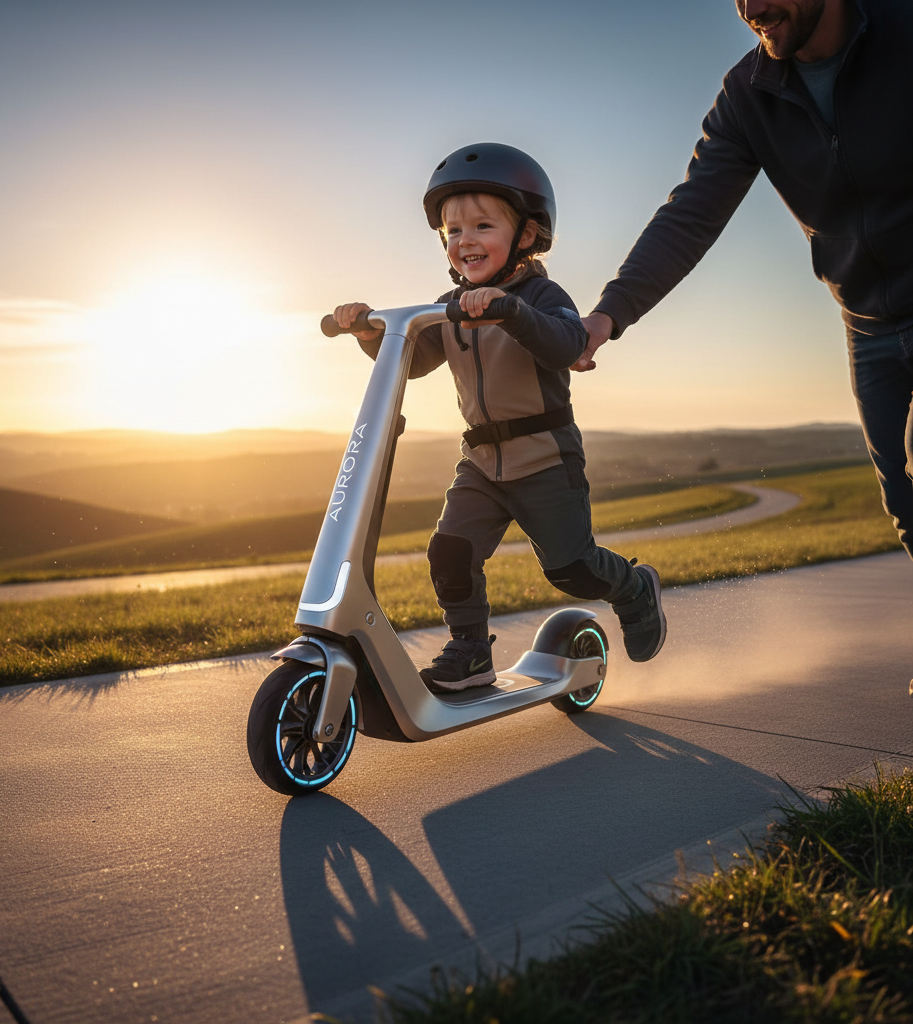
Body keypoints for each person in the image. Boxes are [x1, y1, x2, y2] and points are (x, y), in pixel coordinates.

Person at [577, 0, 913, 560]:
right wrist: (610, 313)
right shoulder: (747, 95)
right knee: (904, 503)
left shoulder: (899, 31)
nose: (751, 8)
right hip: (868, 327)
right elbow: (691, 214)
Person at [333, 143, 667, 692]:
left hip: (545, 459)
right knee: (450, 551)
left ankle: (633, 587)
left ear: (528, 235)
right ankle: (470, 651)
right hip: (482, 464)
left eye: (483, 226)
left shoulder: (542, 294)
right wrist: (369, 334)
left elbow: (566, 343)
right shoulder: (451, 306)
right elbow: (413, 361)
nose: (466, 240)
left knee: (571, 569)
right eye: (453, 231)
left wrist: (509, 310)